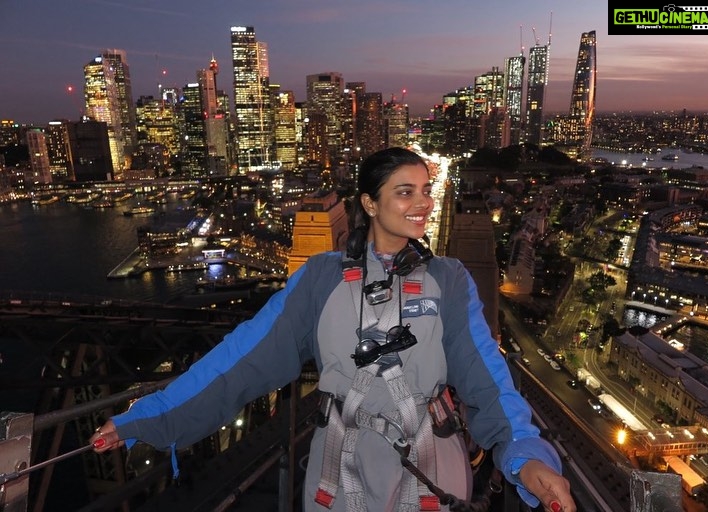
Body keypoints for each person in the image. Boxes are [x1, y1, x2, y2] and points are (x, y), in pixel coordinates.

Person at [91, 147, 576, 511]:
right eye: (404, 192)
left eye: (426, 190)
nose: (423, 203)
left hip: (430, 468)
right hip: (341, 470)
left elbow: (485, 377)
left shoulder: (447, 279)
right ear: (368, 202)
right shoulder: (321, 278)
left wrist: (526, 454)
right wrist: (151, 419)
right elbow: (244, 360)